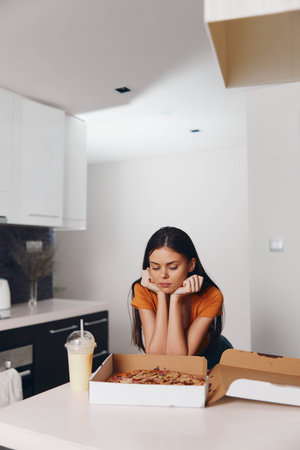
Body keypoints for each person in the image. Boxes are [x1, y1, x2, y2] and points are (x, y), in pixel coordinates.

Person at [130, 226, 232, 370]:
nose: (163, 275)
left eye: (172, 267)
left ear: (190, 265)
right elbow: (155, 355)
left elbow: (180, 358)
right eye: (155, 267)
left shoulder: (212, 296)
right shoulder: (143, 289)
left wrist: (175, 299)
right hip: (172, 365)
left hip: (213, 357)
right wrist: (161, 295)